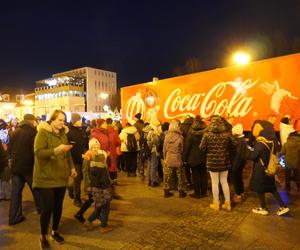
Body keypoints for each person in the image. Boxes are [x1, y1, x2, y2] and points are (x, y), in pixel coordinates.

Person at [33, 110, 77, 249]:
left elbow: (67, 154)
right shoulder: (43, 133)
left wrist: (72, 168)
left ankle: (54, 231)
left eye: (63, 120)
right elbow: (38, 152)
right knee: (47, 208)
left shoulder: (63, 134)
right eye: (59, 120)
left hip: (60, 176)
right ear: (52, 120)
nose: (61, 123)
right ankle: (43, 236)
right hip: (45, 177)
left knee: (58, 206)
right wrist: (55, 150)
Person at [248, 122, 290, 216]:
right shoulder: (271, 143)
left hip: (261, 170)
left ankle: (263, 208)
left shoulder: (260, 144)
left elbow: (253, 156)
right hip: (269, 169)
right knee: (272, 189)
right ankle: (283, 206)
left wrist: (248, 151)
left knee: (260, 189)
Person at [8, 114, 41, 225]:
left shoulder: (14, 132)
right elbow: (35, 151)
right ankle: (41, 210)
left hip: (16, 167)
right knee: (36, 190)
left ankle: (14, 217)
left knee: (16, 193)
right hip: (29, 167)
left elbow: (10, 150)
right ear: (32, 121)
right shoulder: (34, 133)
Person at [199, 115, 237, 211]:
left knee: (215, 183)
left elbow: (201, 148)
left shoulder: (207, 135)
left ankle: (216, 203)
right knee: (224, 182)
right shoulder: (226, 134)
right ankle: (228, 203)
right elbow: (235, 144)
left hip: (212, 162)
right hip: (224, 161)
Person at [82, 138, 113, 233]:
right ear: (90, 147)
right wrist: (87, 187)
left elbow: (107, 167)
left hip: (104, 183)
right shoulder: (88, 156)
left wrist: (107, 157)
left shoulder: (102, 154)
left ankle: (90, 221)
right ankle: (103, 226)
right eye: (93, 146)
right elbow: (85, 172)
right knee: (105, 205)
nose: (96, 148)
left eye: (97, 146)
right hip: (97, 185)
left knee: (102, 205)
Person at [183, 116, 207, 198]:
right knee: (203, 174)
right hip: (204, 157)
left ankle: (197, 193)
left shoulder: (191, 134)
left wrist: (184, 159)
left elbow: (187, 147)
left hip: (193, 158)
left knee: (195, 175)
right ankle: (204, 192)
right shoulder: (205, 133)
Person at [67, 113, 88, 207]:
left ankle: (70, 188)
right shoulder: (69, 132)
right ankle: (77, 199)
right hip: (75, 160)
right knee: (77, 179)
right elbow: (70, 148)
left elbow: (85, 143)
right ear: (74, 121)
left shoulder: (83, 130)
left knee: (82, 178)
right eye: (79, 120)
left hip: (84, 158)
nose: (81, 121)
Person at [163, 120, 186, 198]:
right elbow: (182, 149)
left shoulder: (166, 136)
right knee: (180, 175)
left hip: (169, 157)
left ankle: (166, 191)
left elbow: (164, 149)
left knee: (167, 175)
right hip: (177, 157)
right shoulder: (180, 137)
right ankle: (181, 192)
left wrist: (165, 157)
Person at [231, 123, 248, 203]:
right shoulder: (243, 140)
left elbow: (238, 156)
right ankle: (241, 193)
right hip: (241, 164)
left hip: (237, 164)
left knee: (236, 179)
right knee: (239, 178)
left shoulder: (239, 142)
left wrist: (234, 167)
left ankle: (238, 195)